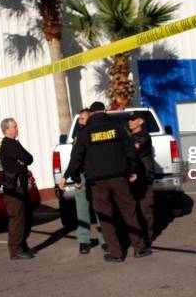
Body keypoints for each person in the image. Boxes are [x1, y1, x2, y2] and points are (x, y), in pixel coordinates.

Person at [60, 101, 151, 262]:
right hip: (119, 179)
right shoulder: (118, 128)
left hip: (97, 183)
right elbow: (130, 152)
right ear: (104, 111)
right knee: (129, 212)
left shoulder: (85, 133)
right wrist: (132, 171)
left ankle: (116, 253)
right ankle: (139, 248)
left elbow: (76, 158)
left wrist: (71, 177)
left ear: (92, 114)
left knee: (105, 217)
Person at [60, 108, 106, 254]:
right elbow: (74, 159)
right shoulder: (78, 137)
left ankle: (105, 239)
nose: (80, 121)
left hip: (97, 176)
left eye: (83, 118)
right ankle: (84, 241)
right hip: (81, 177)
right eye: (79, 119)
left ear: (90, 119)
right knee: (82, 210)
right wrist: (71, 177)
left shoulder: (97, 134)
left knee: (101, 208)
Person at [0, 117, 35, 259]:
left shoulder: (15, 143)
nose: (17, 128)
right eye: (14, 126)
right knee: (17, 219)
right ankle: (15, 250)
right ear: (6, 130)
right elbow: (25, 158)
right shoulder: (8, 144)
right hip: (14, 189)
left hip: (21, 186)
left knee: (26, 217)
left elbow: (29, 158)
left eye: (16, 126)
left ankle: (23, 245)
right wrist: (22, 160)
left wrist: (23, 160)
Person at [128, 113, 155, 246]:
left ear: (141, 121)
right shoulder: (128, 137)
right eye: (129, 120)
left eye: (133, 119)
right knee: (133, 208)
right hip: (131, 177)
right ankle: (136, 236)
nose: (130, 121)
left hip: (144, 176)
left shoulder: (144, 136)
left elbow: (135, 148)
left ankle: (147, 236)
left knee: (145, 208)